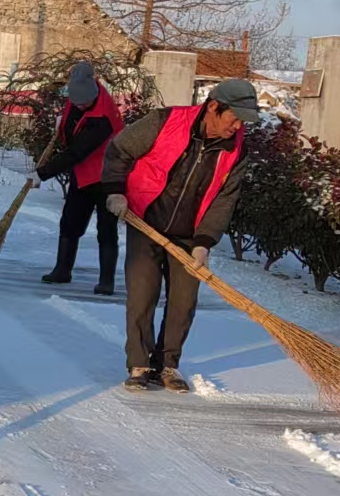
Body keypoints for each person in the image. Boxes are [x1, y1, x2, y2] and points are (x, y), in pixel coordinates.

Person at [100, 78, 260, 393]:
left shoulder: (235, 151)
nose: (238, 126)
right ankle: (139, 364)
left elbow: (223, 200)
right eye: (234, 117)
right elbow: (119, 150)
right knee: (143, 293)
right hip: (146, 220)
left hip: (190, 233)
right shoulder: (165, 122)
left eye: (244, 120)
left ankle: (168, 365)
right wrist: (115, 191)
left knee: (184, 300)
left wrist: (204, 243)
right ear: (214, 107)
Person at [31, 60, 125, 294]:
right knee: (70, 221)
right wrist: (63, 125)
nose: (80, 107)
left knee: (106, 228)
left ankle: (106, 281)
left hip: (108, 176)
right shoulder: (79, 97)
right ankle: (62, 270)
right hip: (83, 174)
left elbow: (76, 151)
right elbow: (72, 131)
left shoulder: (103, 117)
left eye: (85, 104)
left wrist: (41, 174)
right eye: (76, 103)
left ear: (94, 96)